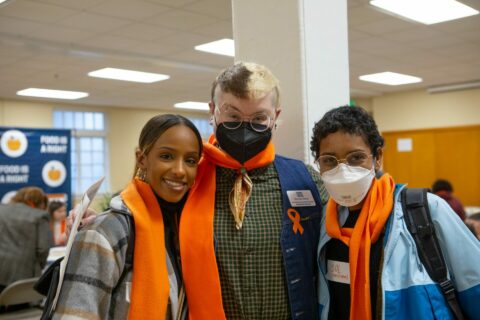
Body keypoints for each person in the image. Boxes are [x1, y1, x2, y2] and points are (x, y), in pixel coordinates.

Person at [179, 62, 328, 319]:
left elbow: (350, 224)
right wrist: (94, 219)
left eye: (259, 118)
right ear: (213, 111)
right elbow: (142, 214)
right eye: (233, 116)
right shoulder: (188, 179)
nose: (245, 128)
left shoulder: (306, 180)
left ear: (275, 117)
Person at [310, 106, 480, 320]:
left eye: (356, 158)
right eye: (329, 160)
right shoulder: (324, 222)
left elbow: (475, 286)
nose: (343, 171)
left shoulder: (425, 210)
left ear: (377, 157)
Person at [54, 114, 203, 319]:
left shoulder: (185, 232)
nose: (179, 170)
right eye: (166, 156)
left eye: (190, 160)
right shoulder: (105, 232)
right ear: (142, 159)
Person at [0, 186, 53, 292]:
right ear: (35, 202)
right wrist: (39, 266)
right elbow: (43, 249)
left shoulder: (1, 210)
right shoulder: (40, 216)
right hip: (24, 278)